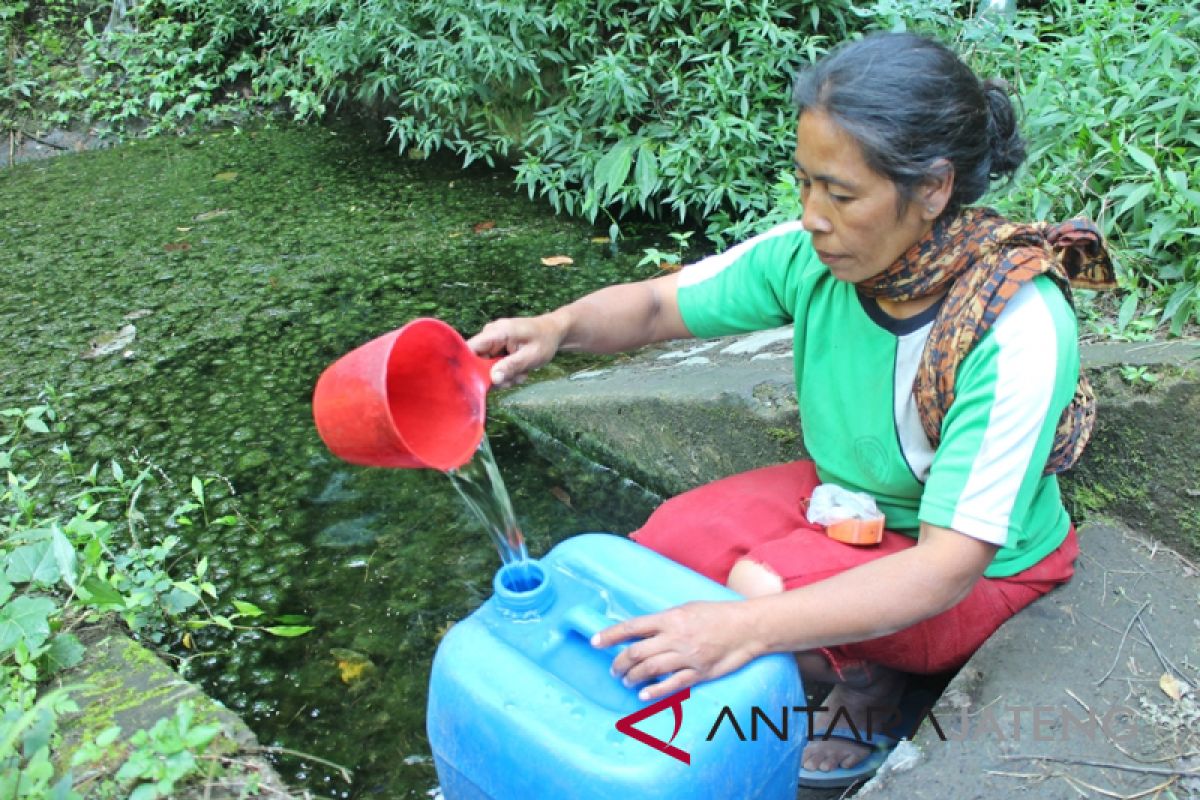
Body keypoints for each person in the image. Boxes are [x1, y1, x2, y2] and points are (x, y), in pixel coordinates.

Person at [467, 31, 1114, 788]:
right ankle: (821, 656)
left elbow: (944, 568)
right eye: (805, 183)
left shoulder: (1014, 324)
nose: (812, 214)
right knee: (661, 548)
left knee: (752, 593)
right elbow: (651, 305)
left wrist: (739, 632)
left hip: (983, 568)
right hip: (849, 503)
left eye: (840, 194)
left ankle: (872, 684)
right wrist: (556, 329)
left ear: (934, 188)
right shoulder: (814, 255)